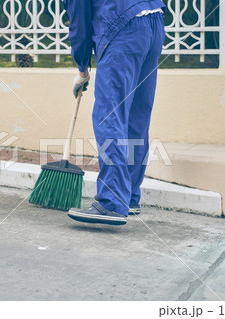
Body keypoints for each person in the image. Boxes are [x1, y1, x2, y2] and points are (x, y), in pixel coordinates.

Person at [64, 0, 166, 226]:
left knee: (109, 116)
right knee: (135, 117)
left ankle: (111, 201)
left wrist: (82, 68)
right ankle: (128, 196)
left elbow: (80, 22)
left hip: (122, 26)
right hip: (153, 20)